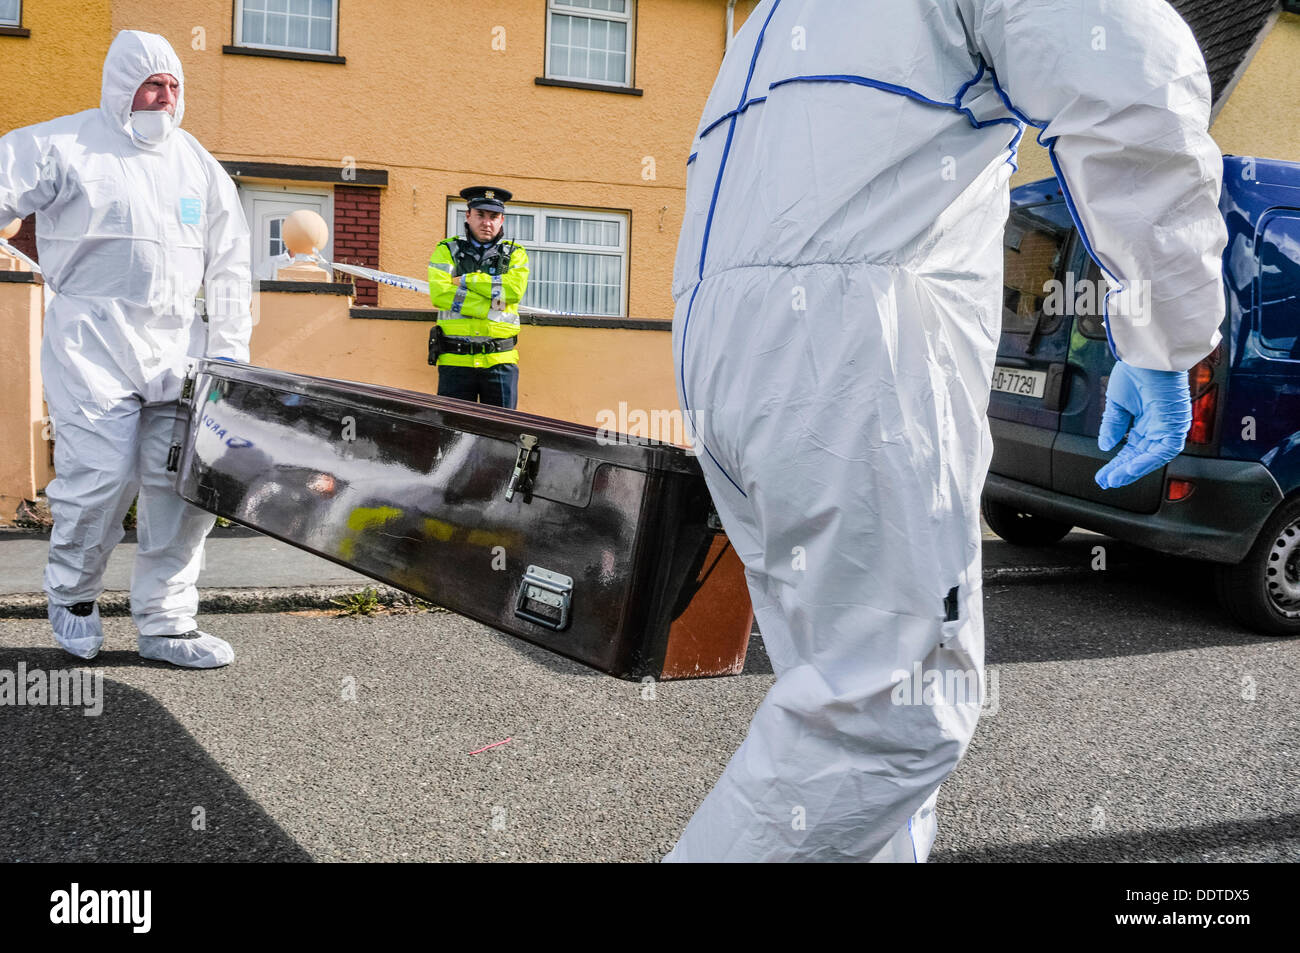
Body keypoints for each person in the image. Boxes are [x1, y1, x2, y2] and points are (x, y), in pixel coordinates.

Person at [667, 0, 1226, 861]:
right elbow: (1130, 82)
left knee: (841, 700)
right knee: (889, 721)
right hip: (855, 340)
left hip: (725, 344)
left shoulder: (771, 21)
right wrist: (1166, 335)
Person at [0, 31, 253, 669]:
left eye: (173, 86)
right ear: (120, 86)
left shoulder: (198, 164)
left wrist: (228, 356)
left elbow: (229, 267)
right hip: (92, 343)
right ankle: (74, 597)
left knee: (180, 490)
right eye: (150, 84)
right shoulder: (67, 142)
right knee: (100, 481)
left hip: (180, 351)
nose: (164, 97)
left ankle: (167, 622)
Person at [427, 186, 530, 408]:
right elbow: (440, 293)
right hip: (455, 359)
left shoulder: (515, 253)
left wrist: (467, 280)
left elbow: (513, 291)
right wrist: (489, 303)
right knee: (452, 434)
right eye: (480, 215)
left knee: (501, 433)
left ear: (501, 219)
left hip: (500, 361)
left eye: (493, 216)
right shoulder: (446, 250)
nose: (487, 222)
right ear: (468, 215)